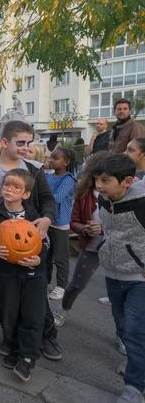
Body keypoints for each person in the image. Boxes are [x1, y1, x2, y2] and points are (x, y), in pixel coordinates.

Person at [0, 120, 62, 362]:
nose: (25, 147)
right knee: (4, 293)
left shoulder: (34, 169)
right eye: (20, 142)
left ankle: (46, 334)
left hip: (30, 239)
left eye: (28, 143)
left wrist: (46, 218)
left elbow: (48, 199)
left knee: (36, 293)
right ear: (4, 142)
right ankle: (10, 338)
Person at [0, 169, 48, 382]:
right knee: (7, 311)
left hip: (33, 274)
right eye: (7, 185)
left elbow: (45, 243)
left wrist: (39, 259)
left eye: (16, 187)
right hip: (7, 273)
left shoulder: (34, 216)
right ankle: (12, 344)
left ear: (26, 194)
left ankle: (28, 356)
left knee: (32, 314)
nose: (9, 189)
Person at [94, 154, 145, 403]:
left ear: (126, 181)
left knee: (136, 330)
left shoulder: (142, 201)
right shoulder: (103, 199)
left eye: (105, 181)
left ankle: (135, 387)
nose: (99, 186)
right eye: (97, 180)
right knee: (122, 325)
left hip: (140, 277)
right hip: (113, 272)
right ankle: (136, 360)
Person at [62, 152, 110, 312]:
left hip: (117, 249)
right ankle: (63, 310)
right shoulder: (84, 194)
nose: (102, 183)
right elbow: (73, 221)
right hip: (91, 247)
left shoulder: (122, 195)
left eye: (107, 178)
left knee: (120, 292)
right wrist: (85, 228)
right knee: (76, 284)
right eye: (99, 177)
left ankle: (123, 333)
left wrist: (102, 229)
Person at [45, 148, 77, 302]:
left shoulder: (69, 179)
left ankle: (61, 286)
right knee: (46, 255)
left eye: (56, 158)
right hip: (47, 222)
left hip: (60, 224)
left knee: (60, 257)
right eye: (51, 157)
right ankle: (45, 282)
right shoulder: (48, 176)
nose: (51, 160)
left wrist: (42, 194)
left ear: (66, 162)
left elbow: (57, 197)